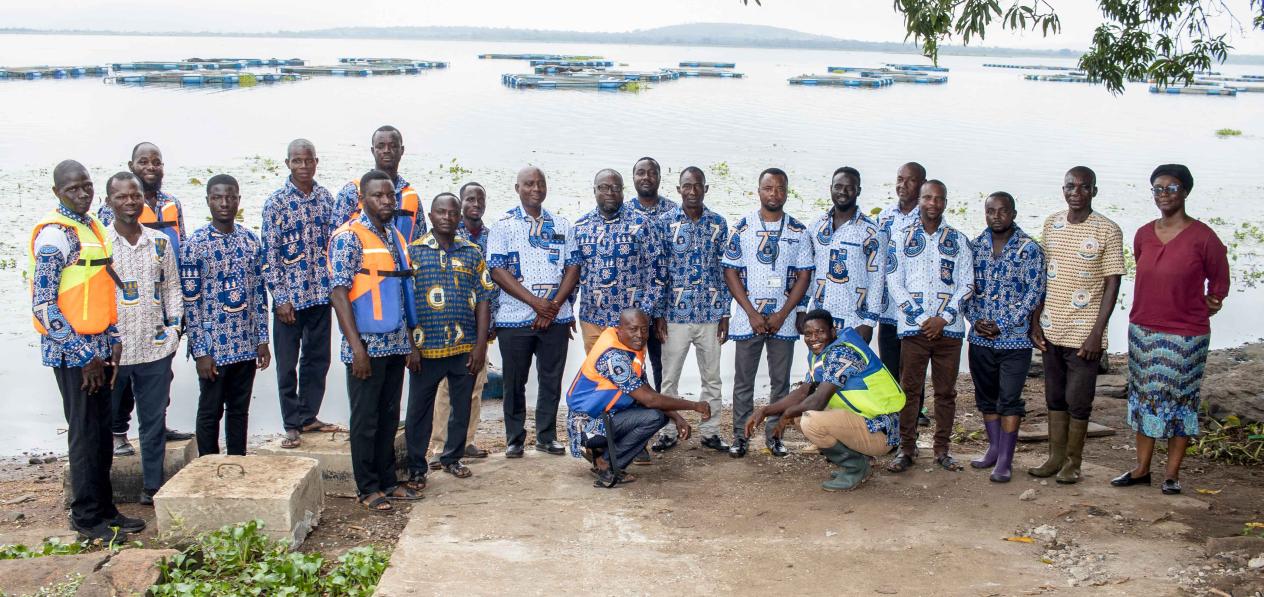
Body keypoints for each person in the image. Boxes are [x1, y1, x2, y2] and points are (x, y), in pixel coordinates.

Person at [30, 160, 143, 542]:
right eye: (72, 190)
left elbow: (100, 288)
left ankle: (106, 510)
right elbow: (44, 306)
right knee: (83, 433)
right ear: (57, 192)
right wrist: (85, 356)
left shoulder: (92, 226)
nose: (81, 194)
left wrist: (112, 339)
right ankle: (85, 516)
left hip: (99, 349)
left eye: (86, 187)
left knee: (101, 431)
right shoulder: (54, 238)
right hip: (73, 354)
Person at [1112, 164, 1229, 495]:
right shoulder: (1144, 234)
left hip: (1186, 336)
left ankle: (1172, 475)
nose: (1163, 194)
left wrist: (1213, 300)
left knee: (1181, 400)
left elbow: (1220, 280)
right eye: (1158, 189)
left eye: (1171, 188)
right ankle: (1141, 469)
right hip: (1143, 330)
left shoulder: (1203, 237)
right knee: (1144, 398)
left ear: (1186, 192)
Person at [329, 169, 423, 511]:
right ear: (363, 200)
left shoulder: (396, 237)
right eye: (378, 196)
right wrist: (356, 348)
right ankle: (367, 487)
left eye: (390, 196)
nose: (386, 201)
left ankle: (387, 480)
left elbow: (402, 290)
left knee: (388, 416)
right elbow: (339, 293)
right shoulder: (348, 237)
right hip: (365, 345)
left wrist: (411, 344)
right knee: (365, 418)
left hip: (396, 342)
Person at [1028, 166, 1123, 485]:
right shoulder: (1052, 223)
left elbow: (1112, 284)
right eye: (1070, 186)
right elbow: (1042, 276)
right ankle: (1054, 458)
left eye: (1084, 187)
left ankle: (1073, 462)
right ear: (1063, 189)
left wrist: (1098, 333)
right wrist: (1035, 320)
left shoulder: (1108, 230)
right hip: (1052, 327)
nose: (1076, 192)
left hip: (1085, 334)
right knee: (1054, 397)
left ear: (1094, 191)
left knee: (1078, 399)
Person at [746, 309, 904, 491]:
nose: (814, 338)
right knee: (801, 415)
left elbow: (818, 401)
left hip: (883, 431)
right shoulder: (821, 353)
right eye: (808, 334)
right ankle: (860, 460)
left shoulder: (841, 353)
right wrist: (765, 410)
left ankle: (856, 467)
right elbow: (804, 391)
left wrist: (786, 415)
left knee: (810, 420)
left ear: (833, 331)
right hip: (867, 421)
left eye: (820, 332)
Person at [104, 142, 192, 454]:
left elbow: (181, 244)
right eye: (144, 162)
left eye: (156, 162)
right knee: (123, 378)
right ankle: (118, 432)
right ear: (132, 166)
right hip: (126, 306)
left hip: (162, 297)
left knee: (161, 373)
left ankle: (158, 425)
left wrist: (177, 317)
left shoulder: (172, 203)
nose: (150, 168)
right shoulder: (114, 205)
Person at [487, 167, 581, 458]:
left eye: (540, 184)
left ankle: (546, 436)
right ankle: (514, 438)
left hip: (556, 317)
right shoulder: (502, 225)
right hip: (514, 318)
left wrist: (551, 306)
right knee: (515, 380)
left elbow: (573, 267)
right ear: (517, 188)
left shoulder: (562, 224)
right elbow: (497, 270)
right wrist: (534, 303)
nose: (535, 189)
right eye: (529, 184)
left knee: (551, 379)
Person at [722, 167, 814, 458]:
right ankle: (740, 436)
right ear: (758, 191)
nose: (774, 194)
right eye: (768, 188)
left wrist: (785, 313)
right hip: (748, 319)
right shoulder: (742, 228)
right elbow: (730, 271)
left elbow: (803, 276)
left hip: (783, 322)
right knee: (743, 381)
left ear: (787, 192)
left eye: (780, 188)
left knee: (781, 383)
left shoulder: (799, 231)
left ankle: (775, 435)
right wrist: (750, 312)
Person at [404, 193, 495, 483]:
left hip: (464, 345)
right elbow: (403, 302)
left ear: (459, 217)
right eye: (441, 212)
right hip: (425, 348)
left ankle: (452, 457)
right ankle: (417, 467)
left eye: (452, 213)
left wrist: (480, 345)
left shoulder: (471, 252)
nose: (447, 217)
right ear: (430, 217)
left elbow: (483, 300)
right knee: (419, 411)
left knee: (462, 405)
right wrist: (410, 346)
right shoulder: (413, 252)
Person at [886, 180, 974, 473]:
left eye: (939, 198)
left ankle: (942, 450)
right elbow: (894, 282)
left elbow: (967, 283)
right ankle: (906, 448)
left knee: (946, 392)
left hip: (949, 330)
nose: (933, 203)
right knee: (909, 390)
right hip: (914, 329)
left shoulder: (959, 240)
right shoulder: (900, 237)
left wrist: (944, 318)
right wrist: (924, 318)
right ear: (919, 200)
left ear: (946, 202)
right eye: (927, 198)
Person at [565, 309, 711, 487]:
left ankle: (601, 453)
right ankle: (606, 463)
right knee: (655, 416)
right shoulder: (614, 358)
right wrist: (695, 405)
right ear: (619, 329)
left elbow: (647, 390)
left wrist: (677, 417)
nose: (640, 335)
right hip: (586, 426)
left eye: (644, 329)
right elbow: (649, 400)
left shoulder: (628, 346)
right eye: (633, 329)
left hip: (602, 416)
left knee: (658, 413)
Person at [180, 174, 271, 457]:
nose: (224, 203)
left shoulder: (250, 241)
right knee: (210, 410)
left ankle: (237, 463)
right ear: (208, 201)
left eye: (230, 197)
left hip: (245, 343)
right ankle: (207, 465)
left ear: (238, 201)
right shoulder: (194, 245)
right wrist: (201, 351)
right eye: (218, 197)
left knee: (239, 410)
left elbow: (259, 293)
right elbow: (191, 303)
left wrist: (263, 339)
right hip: (213, 347)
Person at [963, 192, 1045, 483]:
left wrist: (1002, 323)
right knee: (986, 398)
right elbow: (965, 289)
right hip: (980, 339)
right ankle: (994, 449)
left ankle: (1006, 461)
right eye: (991, 211)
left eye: (1002, 211)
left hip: (1015, 340)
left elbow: (1034, 293)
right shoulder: (974, 248)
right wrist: (975, 319)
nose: (996, 216)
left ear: (1013, 213)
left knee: (1009, 399)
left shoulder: (1029, 249)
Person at [262, 139, 339, 450]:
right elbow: (269, 255)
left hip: (321, 294)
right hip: (290, 300)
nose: (303, 167)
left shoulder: (325, 199)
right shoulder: (276, 203)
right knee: (287, 364)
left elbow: (334, 246)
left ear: (316, 162)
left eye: (308, 161)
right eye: (297, 161)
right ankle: (291, 423)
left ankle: (309, 415)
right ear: (287, 164)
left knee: (318, 359)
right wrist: (280, 298)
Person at [653, 167, 731, 453]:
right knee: (669, 377)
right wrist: (659, 314)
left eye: (697, 186)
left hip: (710, 315)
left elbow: (726, 272)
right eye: (687, 186)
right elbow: (659, 272)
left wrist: (725, 314)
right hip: (675, 316)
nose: (692, 191)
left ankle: (710, 432)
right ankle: (668, 431)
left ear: (705, 189)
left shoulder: (718, 224)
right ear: (678, 189)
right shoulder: (665, 224)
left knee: (712, 377)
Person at [428, 182, 494, 466]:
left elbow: (492, 285)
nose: (475, 204)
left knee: (475, 386)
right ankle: (440, 444)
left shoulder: (491, 236)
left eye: (480, 199)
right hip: (445, 327)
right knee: (445, 389)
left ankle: (466, 441)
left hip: (477, 326)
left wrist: (490, 323)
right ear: (459, 205)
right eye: (469, 199)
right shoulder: (449, 235)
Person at [573, 168, 667, 353]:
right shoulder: (580, 227)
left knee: (631, 377)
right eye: (604, 187)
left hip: (631, 324)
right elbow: (572, 274)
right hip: (592, 320)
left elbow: (658, 273)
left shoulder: (642, 224)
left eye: (616, 188)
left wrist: (644, 313)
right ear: (594, 190)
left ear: (623, 191)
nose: (610, 193)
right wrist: (566, 311)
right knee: (597, 377)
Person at [875, 163, 926, 421]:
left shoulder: (928, 218)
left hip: (916, 309)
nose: (903, 185)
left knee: (914, 367)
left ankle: (916, 412)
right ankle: (895, 413)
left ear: (922, 184)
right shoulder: (884, 218)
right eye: (899, 179)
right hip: (887, 308)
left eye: (911, 180)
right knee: (890, 365)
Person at [807, 166, 881, 339]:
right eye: (838, 186)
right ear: (831, 188)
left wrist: (869, 322)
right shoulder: (816, 225)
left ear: (858, 191)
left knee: (851, 365)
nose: (843, 192)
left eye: (849, 187)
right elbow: (808, 270)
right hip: (819, 318)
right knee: (818, 366)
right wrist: (803, 309)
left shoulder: (871, 231)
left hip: (854, 320)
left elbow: (877, 279)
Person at [629, 156, 677, 391]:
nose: (646, 177)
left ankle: (663, 414)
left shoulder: (674, 213)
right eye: (640, 172)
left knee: (662, 365)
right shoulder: (625, 212)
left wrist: (661, 311)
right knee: (632, 363)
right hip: (631, 307)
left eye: (651, 173)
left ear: (659, 177)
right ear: (633, 177)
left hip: (665, 307)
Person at [333, 125, 426, 242]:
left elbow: (421, 241)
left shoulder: (411, 196)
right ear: (373, 151)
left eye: (393, 146)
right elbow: (335, 237)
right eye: (381, 146)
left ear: (402, 150)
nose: (387, 150)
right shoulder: (352, 191)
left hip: (404, 259)